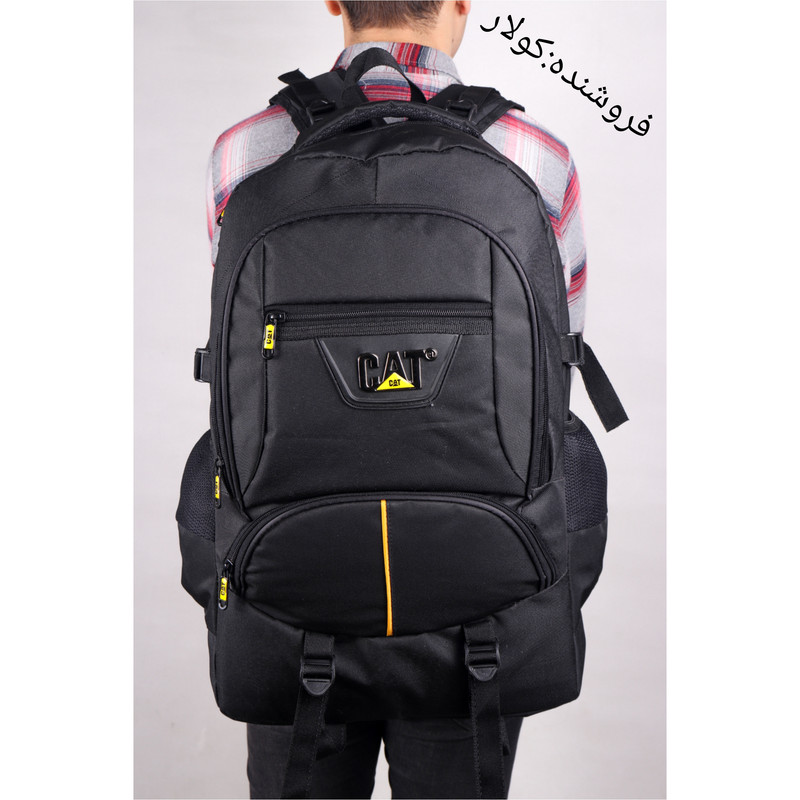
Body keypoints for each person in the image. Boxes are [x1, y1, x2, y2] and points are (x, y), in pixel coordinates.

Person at [205, 2, 589, 797]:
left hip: (289, 597)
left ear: (334, 1)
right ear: (461, 3)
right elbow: (557, 368)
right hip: (481, 608)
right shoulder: (536, 157)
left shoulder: (245, 151)